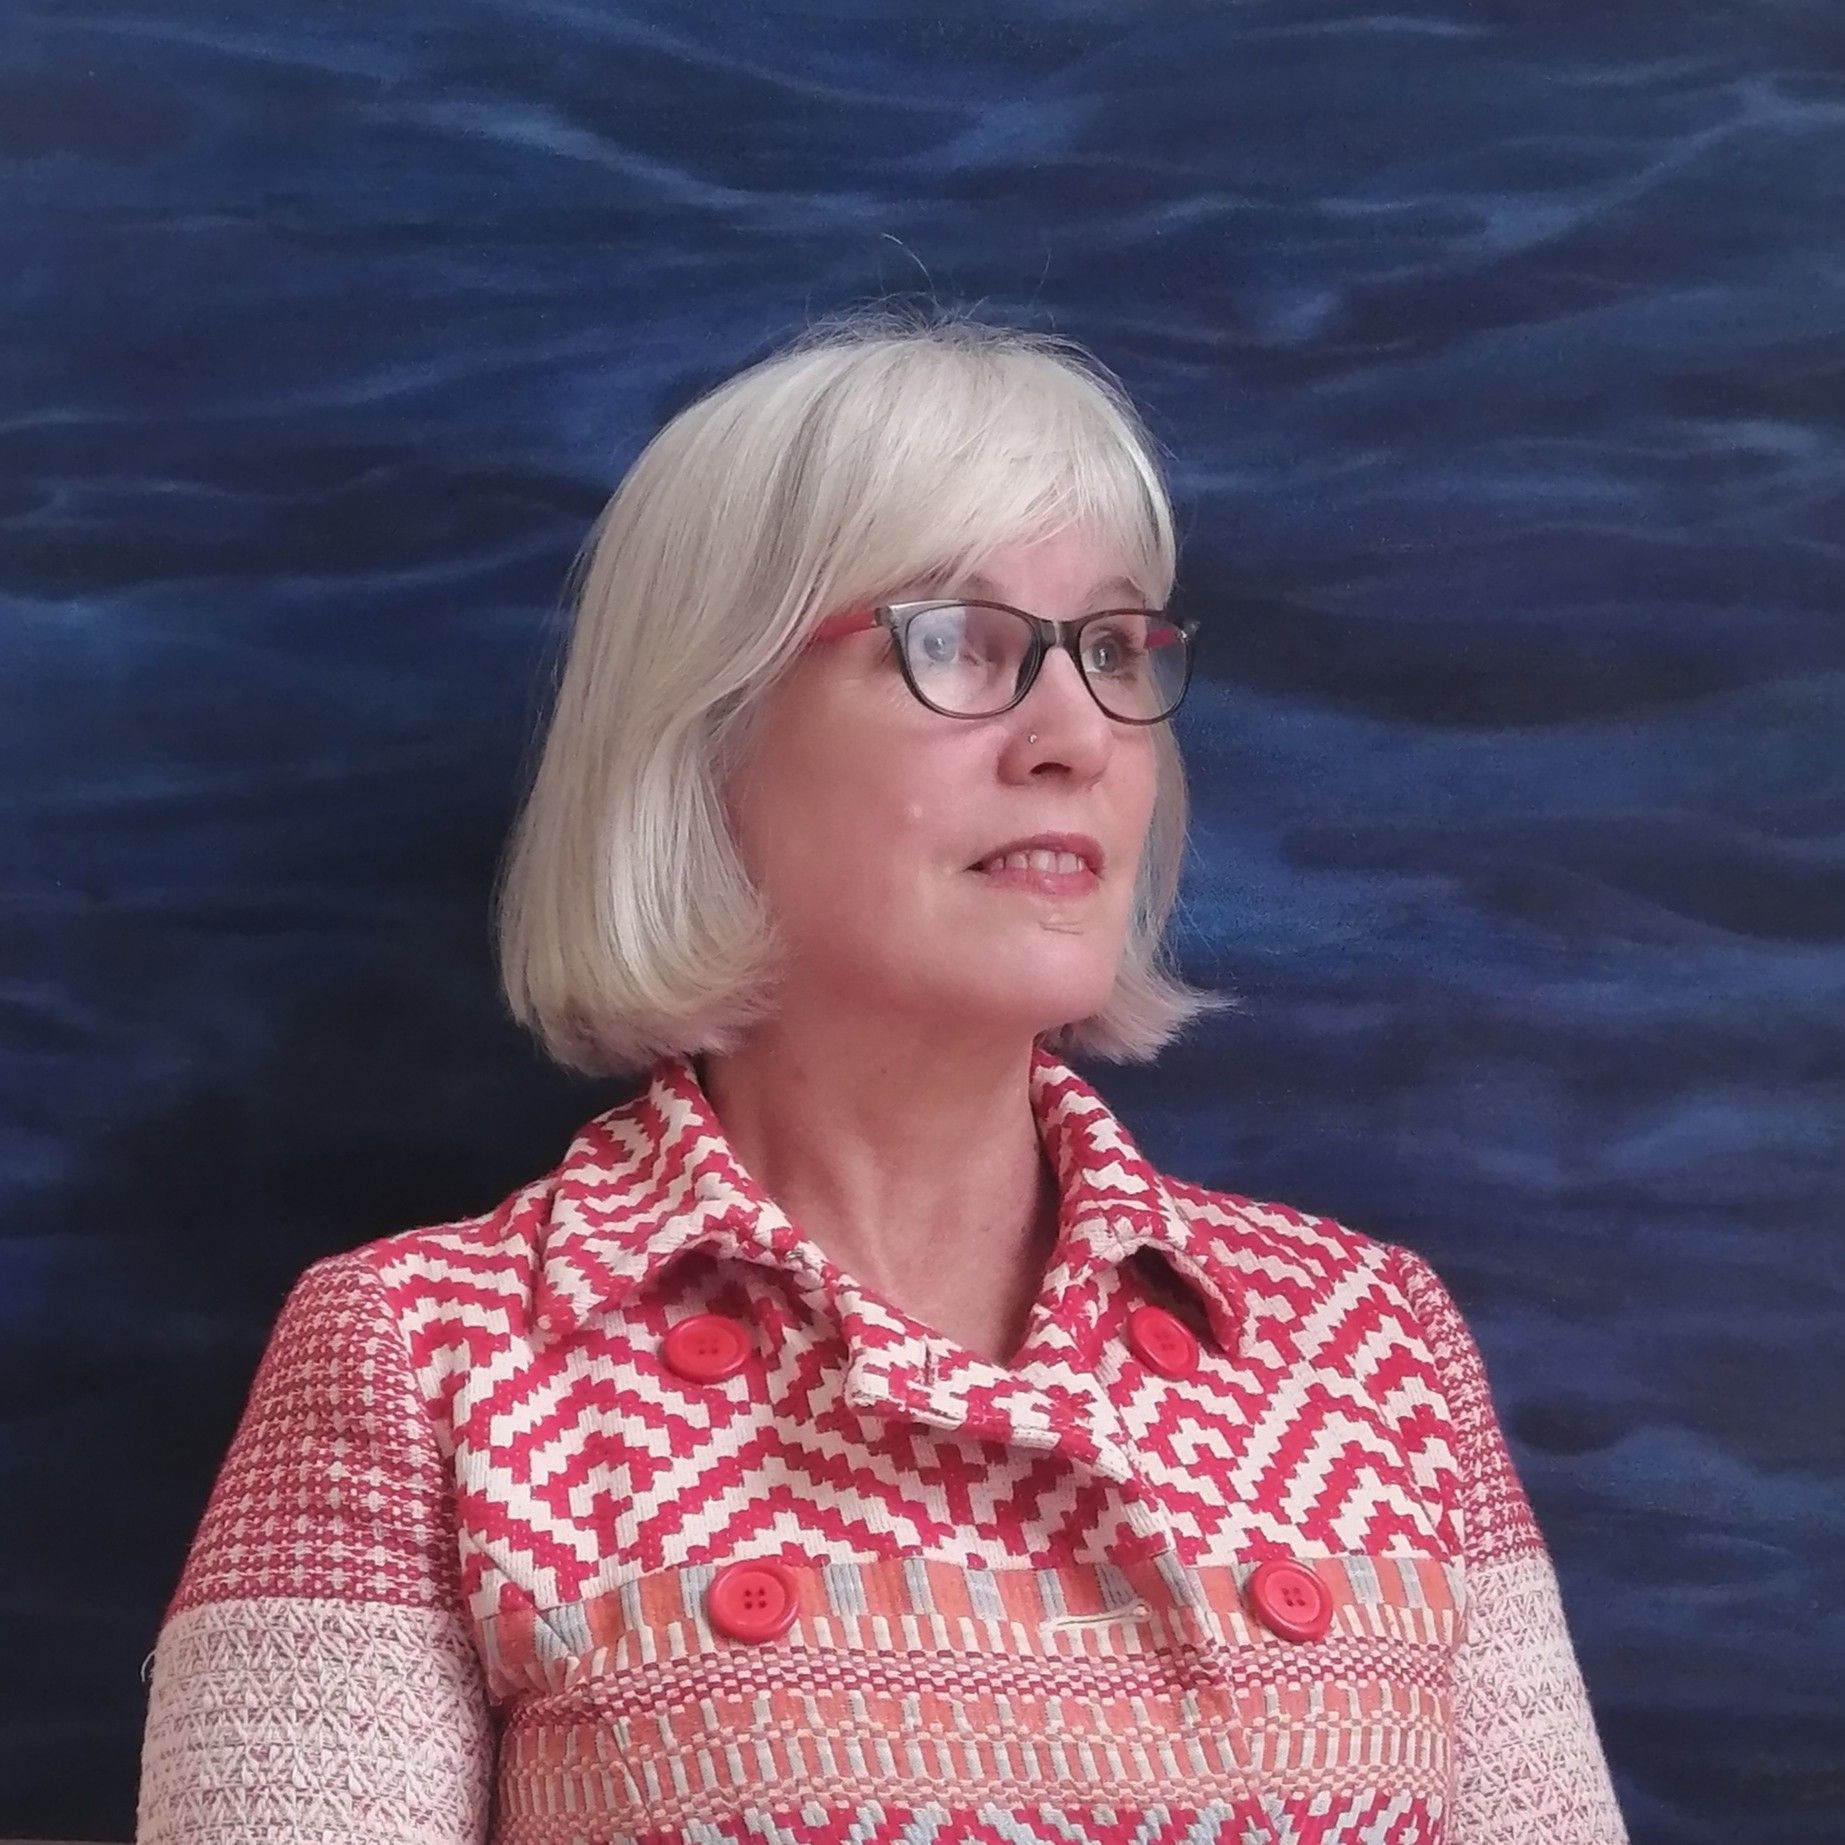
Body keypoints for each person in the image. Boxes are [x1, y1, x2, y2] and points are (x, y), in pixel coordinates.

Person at [135, 308, 1628, 1844]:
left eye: (1111, 648)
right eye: (951, 642)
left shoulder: (1369, 1340)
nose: (1074, 732)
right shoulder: (427, 1360)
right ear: (701, 740)